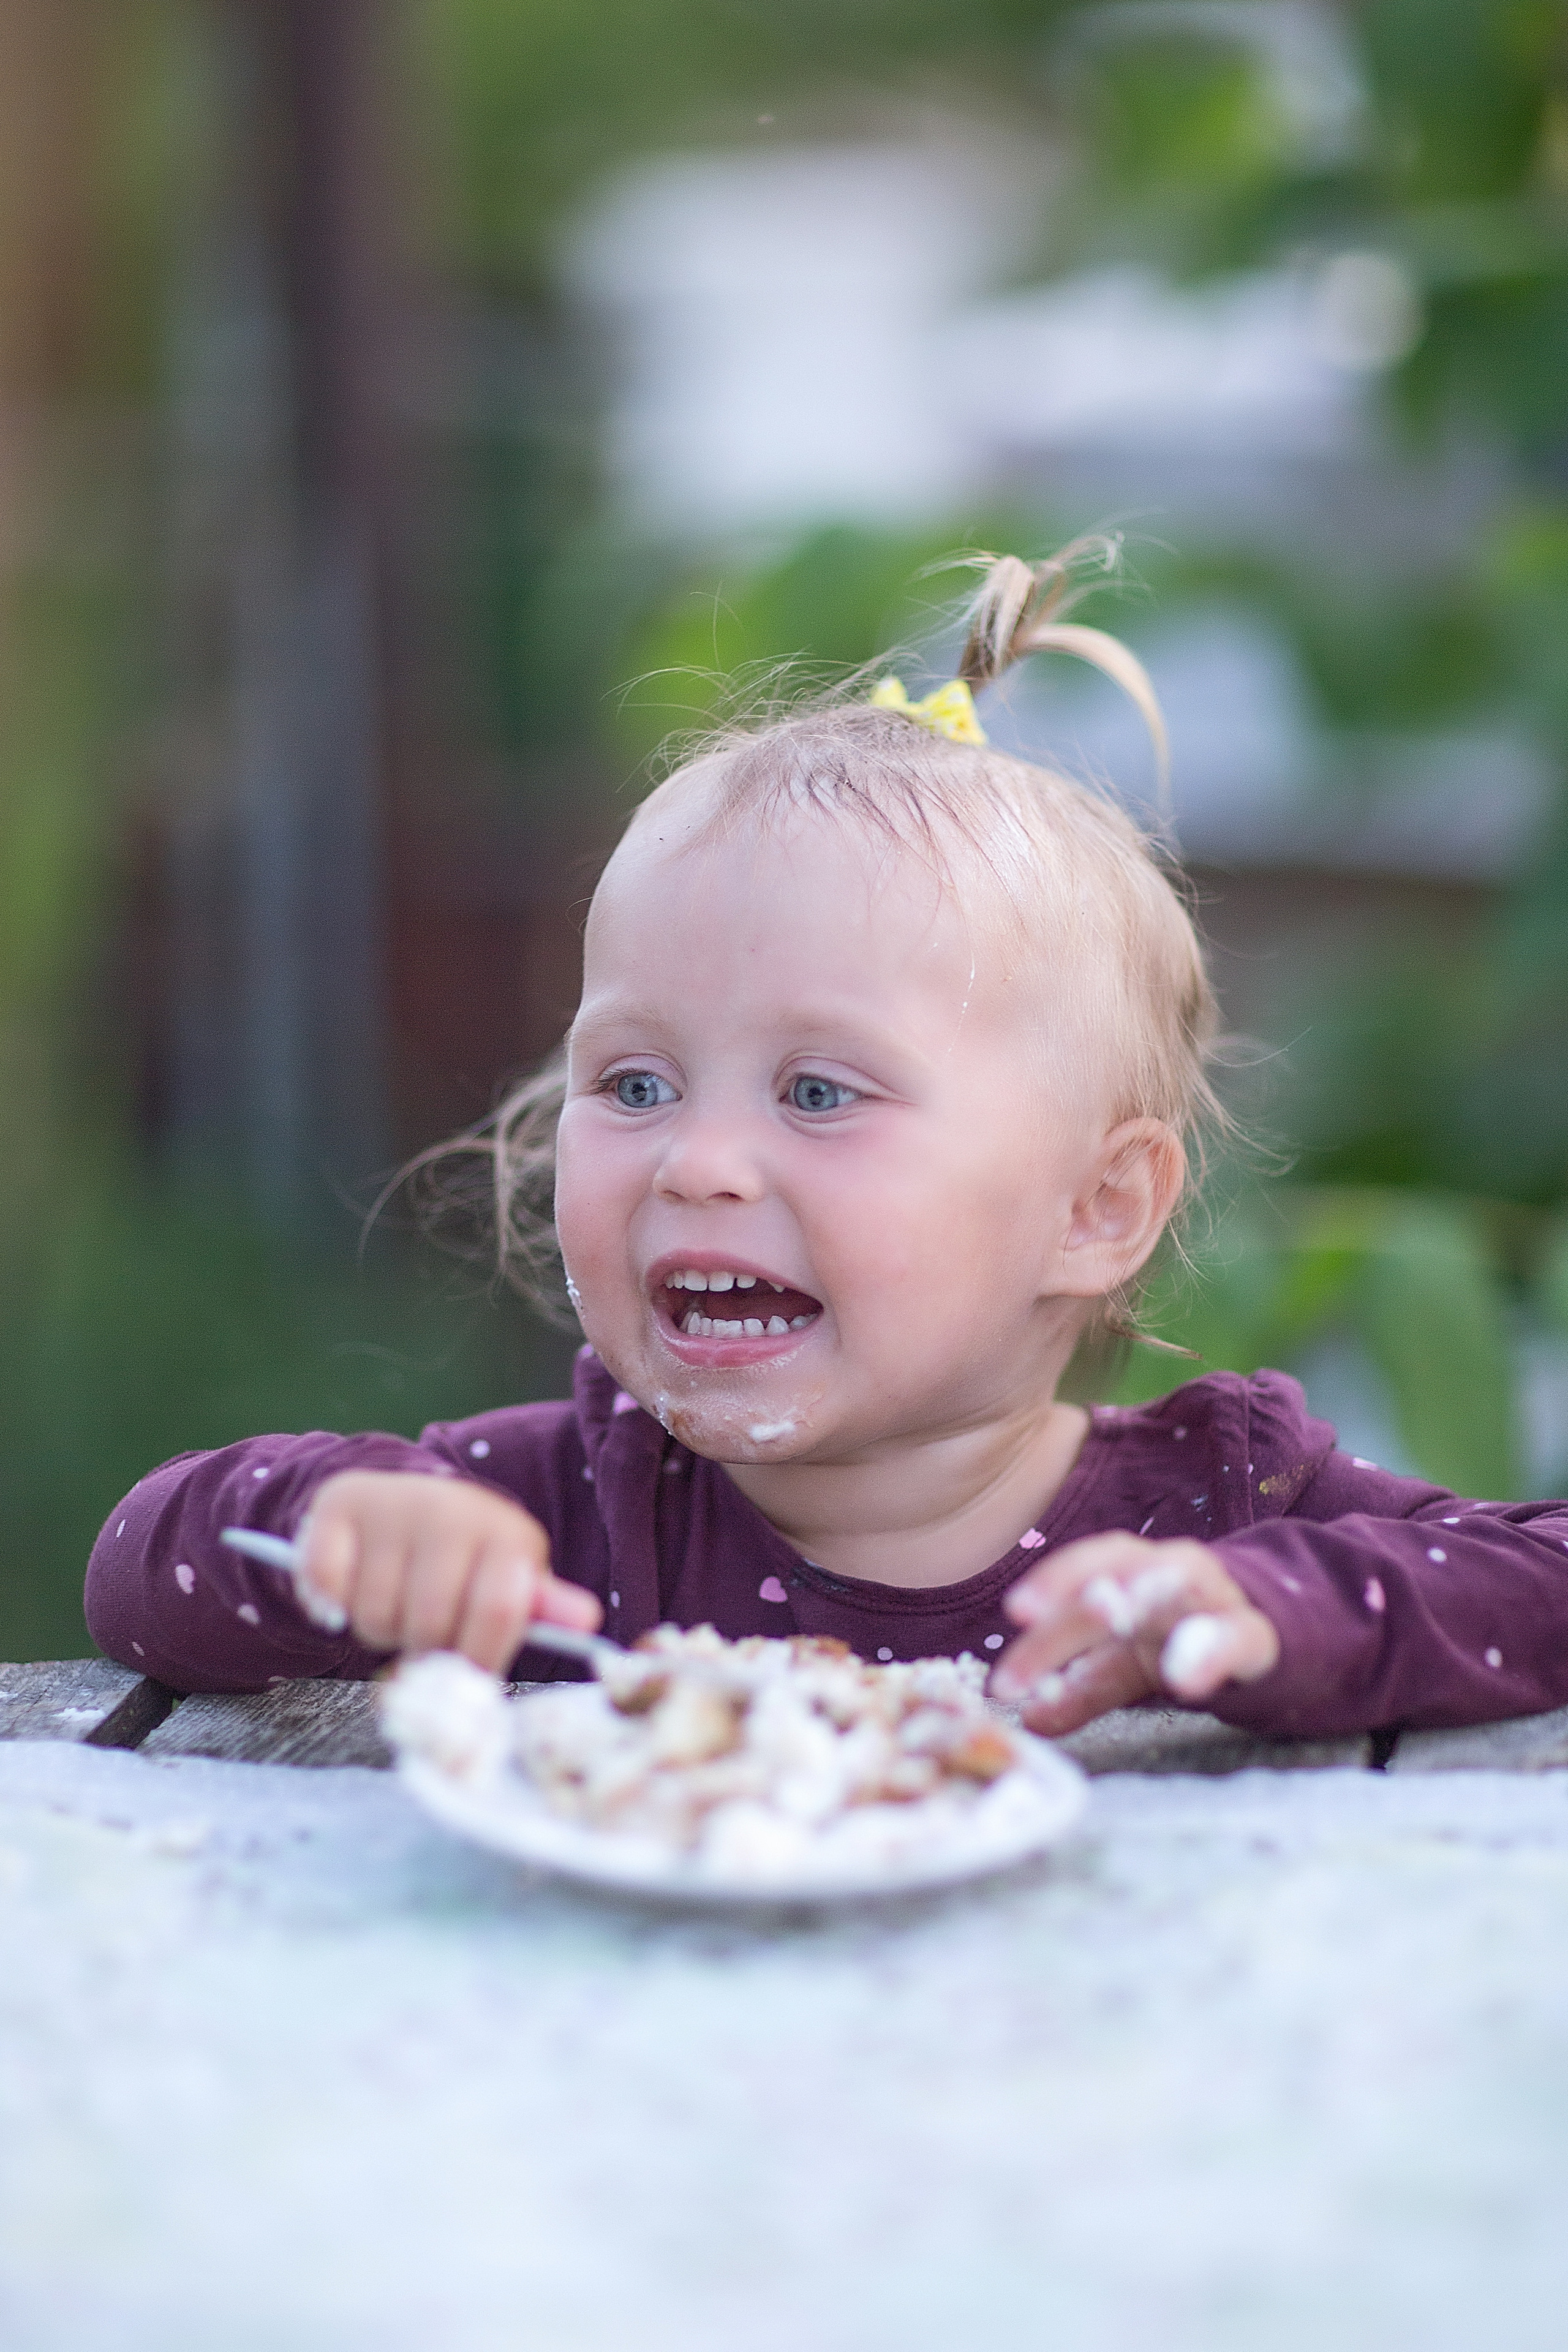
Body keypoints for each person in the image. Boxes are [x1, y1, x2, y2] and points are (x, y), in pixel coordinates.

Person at [86, 548, 1568, 1740]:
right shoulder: (567, 1512)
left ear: (1094, 1209)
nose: (699, 1165)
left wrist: (1277, 1610)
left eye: (815, 1094)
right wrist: (340, 1526)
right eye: (638, 1084)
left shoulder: (1215, 1505)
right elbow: (142, 1569)